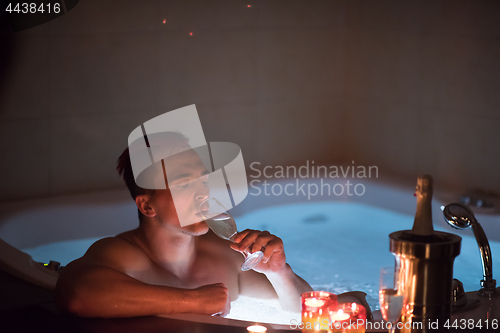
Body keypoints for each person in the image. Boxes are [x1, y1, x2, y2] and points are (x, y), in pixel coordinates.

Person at [54, 132, 311, 318]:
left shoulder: (224, 253)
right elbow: (78, 294)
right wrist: (193, 300)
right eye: (183, 184)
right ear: (146, 206)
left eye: (202, 180)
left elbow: (302, 309)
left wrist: (279, 272)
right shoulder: (123, 254)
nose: (202, 193)